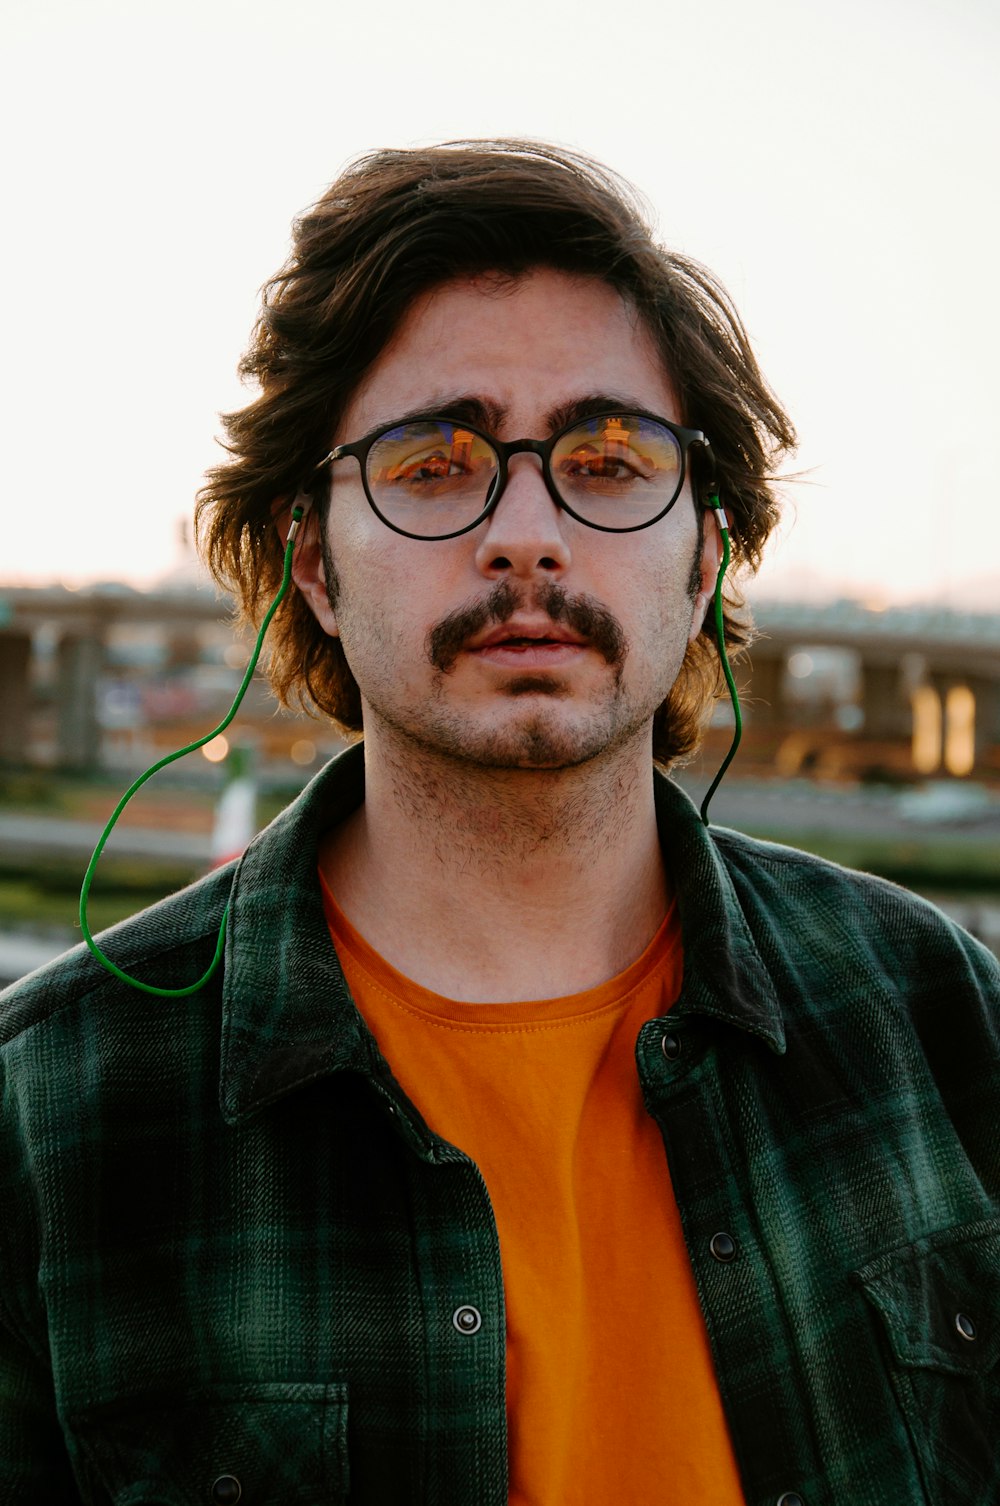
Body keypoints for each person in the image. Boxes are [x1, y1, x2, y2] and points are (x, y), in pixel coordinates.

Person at [1, 141, 997, 1506]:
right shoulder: (47, 1124)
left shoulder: (939, 1021)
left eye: (604, 459)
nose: (525, 533)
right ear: (316, 565)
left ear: (702, 551)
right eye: (433, 461)